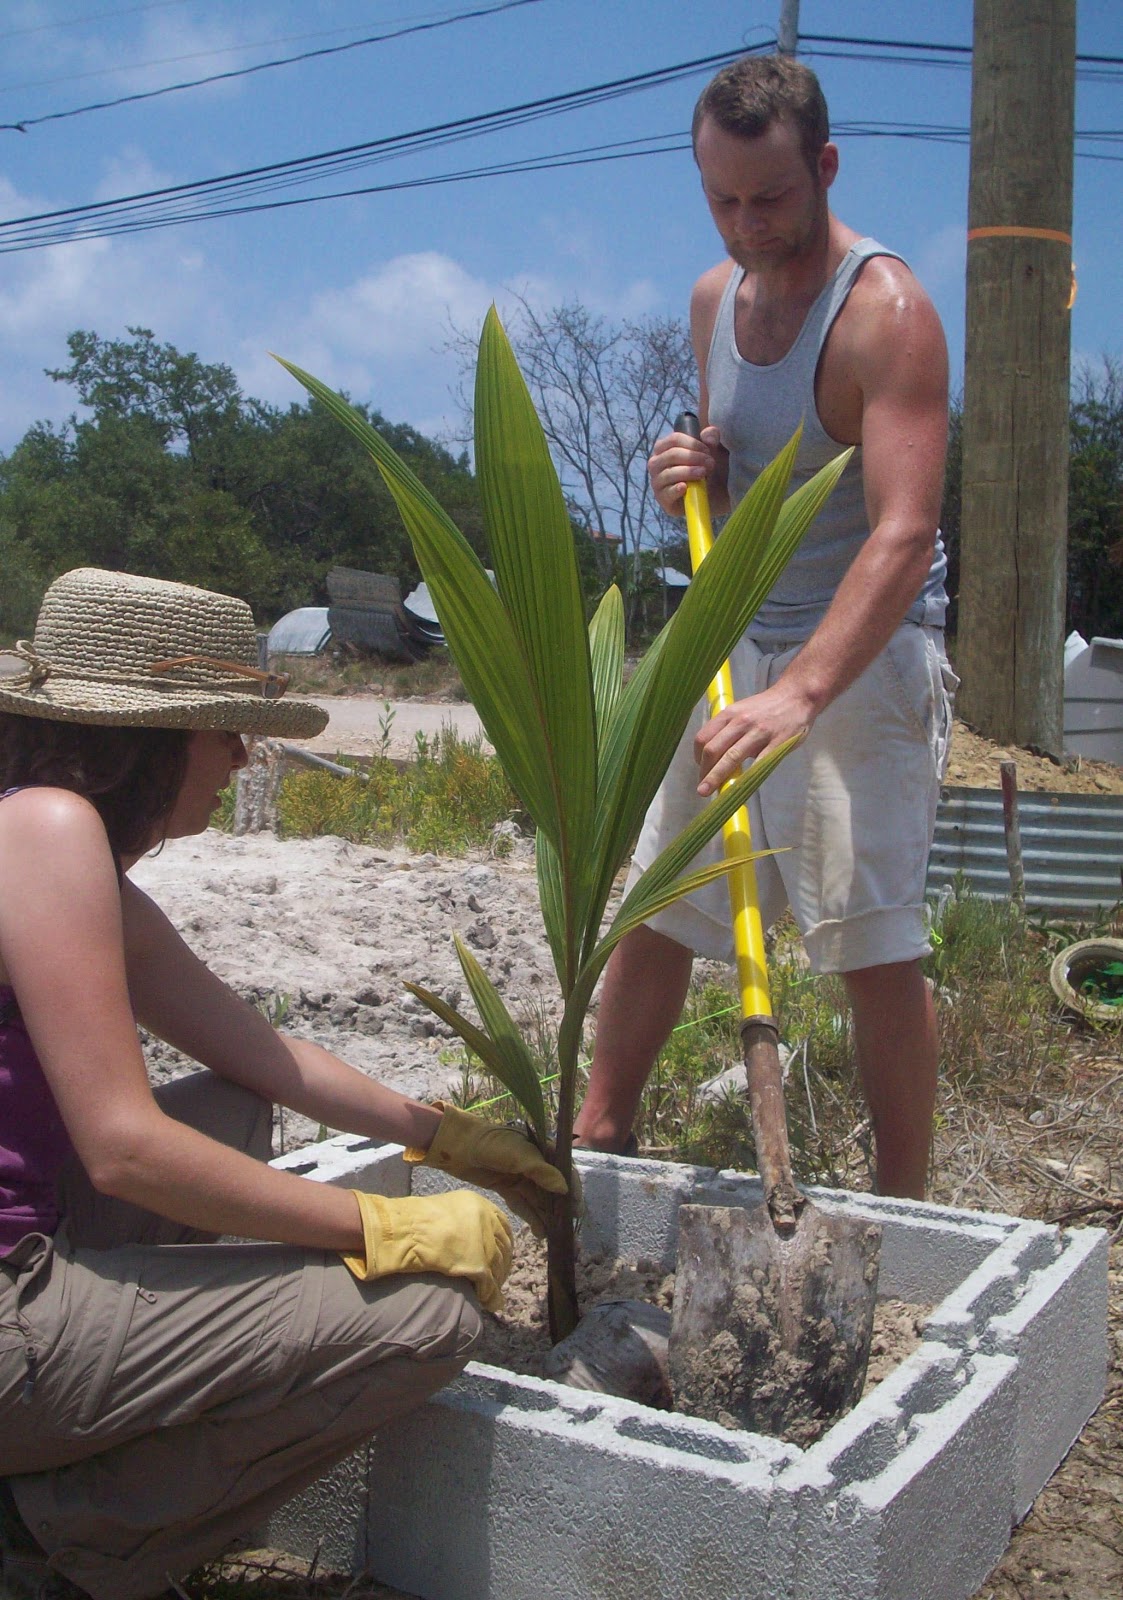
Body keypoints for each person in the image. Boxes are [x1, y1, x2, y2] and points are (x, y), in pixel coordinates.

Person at [0, 567, 567, 1600]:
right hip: (6, 1311)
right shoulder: (46, 830)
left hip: (29, 1239)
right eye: (226, 728)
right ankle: (55, 1545)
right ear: (156, 732)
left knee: (232, 1107)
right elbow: (124, 1149)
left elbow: (257, 1053)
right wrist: (375, 1226)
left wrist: (440, 1134)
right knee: (425, 1320)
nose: (241, 756)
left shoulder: (44, 834)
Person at [574, 54, 956, 1199]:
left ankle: (905, 1203)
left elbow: (898, 529)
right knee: (658, 902)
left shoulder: (887, 315)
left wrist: (802, 694)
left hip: (865, 657)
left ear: (824, 167)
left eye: (772, 198)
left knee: (868, 941)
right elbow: (737, 466)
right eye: (723, 200)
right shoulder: (713, 302)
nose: (748, 226)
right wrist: (695, 467)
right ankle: (600, 1132)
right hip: (735, 640)